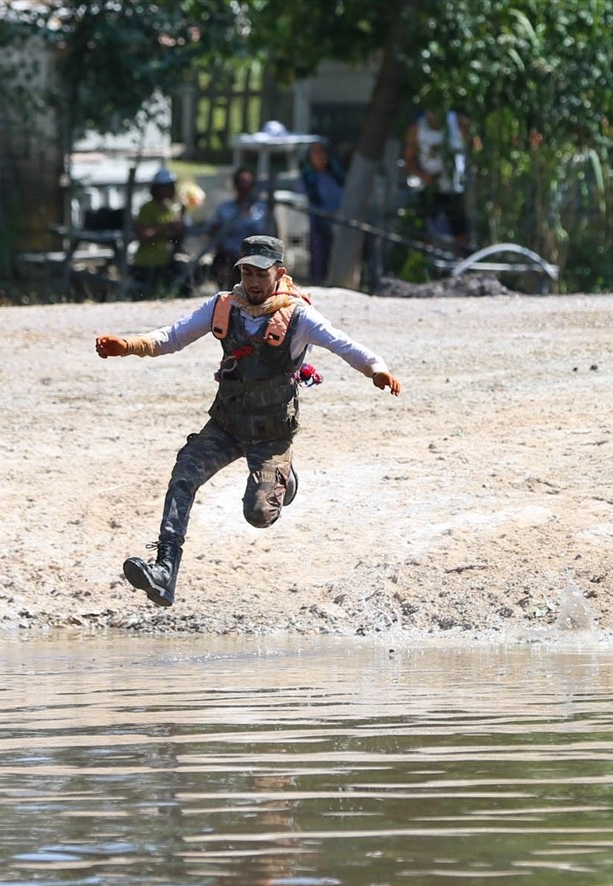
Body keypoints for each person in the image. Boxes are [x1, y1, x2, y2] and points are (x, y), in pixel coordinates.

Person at [94, 235, 402, 608]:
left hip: (272, 435)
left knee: (258, 514)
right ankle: (165, 572)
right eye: (246, 272)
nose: (253, 282)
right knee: (183, 476)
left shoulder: (299, 315)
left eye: (261, 273)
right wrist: (127, 346)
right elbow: (172, 337)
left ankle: (284, 479)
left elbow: (344, 345)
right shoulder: (223, 307)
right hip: (226, 425)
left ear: (279, 273)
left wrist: (377, 370)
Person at [403, 110, 470, 250]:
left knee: (460, 233)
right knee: (423, 233)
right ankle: (422, 267)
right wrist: (423, 176)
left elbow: (475, 144)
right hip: (428, 189)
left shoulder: (458, 122)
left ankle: (461, 265)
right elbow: (409, 160)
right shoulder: (417, 129)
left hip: (453, 190)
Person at [207, 167, 271, 291]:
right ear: (236, 185)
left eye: (248, 182)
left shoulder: (262, 210)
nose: (245, 186)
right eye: (241, 182)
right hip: (228, 256)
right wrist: (225, 252)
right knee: (225, 274)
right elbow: (214, 233)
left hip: (255, 258)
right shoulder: (225, 208)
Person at [131, 168, 188, 298]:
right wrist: (165, 227)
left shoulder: (169, 209)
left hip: (165, 262)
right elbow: (143, 235)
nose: (170, 189)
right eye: (166, 186)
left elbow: (177, 242)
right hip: (147, 263)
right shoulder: (147, 208)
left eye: (171, 186)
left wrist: (180, 225)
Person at [299, 141, 345, 284]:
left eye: (322, 152)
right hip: (315, 223)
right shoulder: (306, 178)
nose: (320, 156)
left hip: (338, 221)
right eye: (316, 153)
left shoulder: (336, 176)